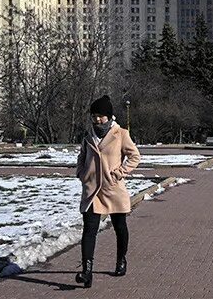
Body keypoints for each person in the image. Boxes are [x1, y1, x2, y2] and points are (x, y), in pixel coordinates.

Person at [75, 94, 141, 288]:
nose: (97, 119)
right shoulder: (88, 135)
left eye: (101, 116)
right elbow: (82, 156)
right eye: (94, 116)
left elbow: (135, 157)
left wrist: (119, 173)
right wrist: (81, 173)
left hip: (113, 188)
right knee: (89, 230)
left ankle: (121, 260)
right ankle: (87, 272)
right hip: (92, 190)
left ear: (109, 116)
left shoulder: (121, 133)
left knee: (120, 228)